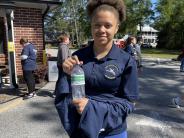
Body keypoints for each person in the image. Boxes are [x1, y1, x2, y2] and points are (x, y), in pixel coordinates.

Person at [55, 0, 139, 138]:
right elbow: (65, 95)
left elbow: (129, 104)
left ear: (116, 28)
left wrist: (91, 108)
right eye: (97, 25)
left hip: (112, 132)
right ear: (91, 26)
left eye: (108, 25)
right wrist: (66, 74)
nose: (102, 30)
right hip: (82, 128)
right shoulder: (78, 56)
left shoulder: (126, 60)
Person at [54, 32, 71, 98]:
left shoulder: (62, 45)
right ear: (65, 39)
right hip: (62, 65)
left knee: (61, 78)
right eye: (68, 39)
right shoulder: (63, 46)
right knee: (62, 78)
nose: (69, 40)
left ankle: (56, 92)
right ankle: (57, 92)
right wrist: (66, 66)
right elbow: (64, 58)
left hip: (61, 65)